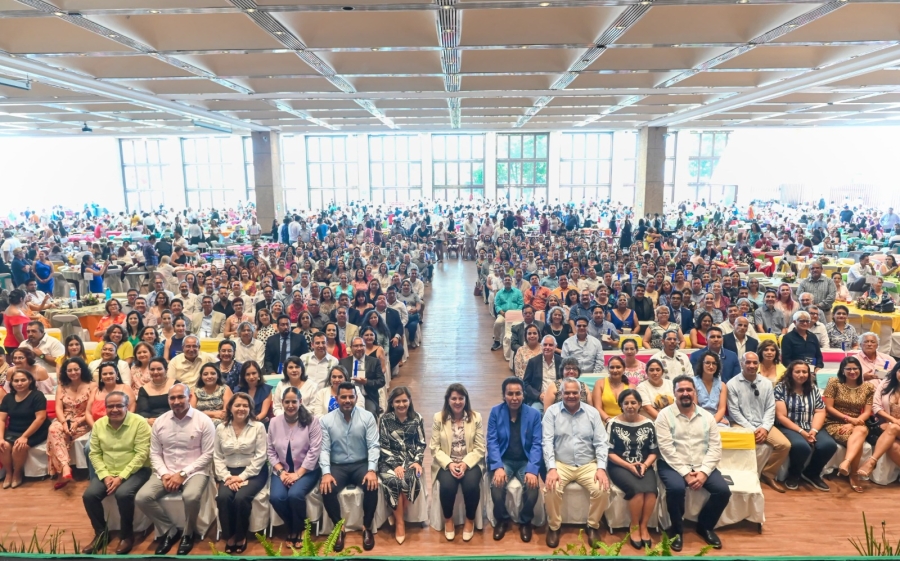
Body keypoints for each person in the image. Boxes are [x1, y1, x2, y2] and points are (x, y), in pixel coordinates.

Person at [136, 383, 216, 556]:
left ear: (189, 398)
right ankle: (169, 530)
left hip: (195, 470)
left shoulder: (203, 420)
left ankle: (188, 534)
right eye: (172, 398)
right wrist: (164, 473)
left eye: (181, 397)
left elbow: (208, 454)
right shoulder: (160, 422)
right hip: (166, 470)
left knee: (191, 496)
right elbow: (155, 453)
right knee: (142, 498)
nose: (177, 401)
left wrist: (182, 473)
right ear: (168, 400)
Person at [655, 375, 730, 551]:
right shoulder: (664, 416)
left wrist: (703, 472)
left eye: (689, 390)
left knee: (723, 491)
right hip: (671, 464)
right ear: (674, 393)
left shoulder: (707, 417)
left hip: (700, 462)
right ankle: (677, 531)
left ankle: (705, 526)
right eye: (681, 390)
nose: (685, 393)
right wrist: (686, 474)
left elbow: (715, 448)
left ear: (695, 392)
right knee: (676, 489)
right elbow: (666, 449)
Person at [542, 377, 610, 549]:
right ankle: (554, 526)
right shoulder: (551, 412)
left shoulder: (592, 413)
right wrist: (551, 468)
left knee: (602, 489)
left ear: (581, 394)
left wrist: (601, 468)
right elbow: (547, 442)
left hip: (587, 463)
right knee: (551, 488)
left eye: (575, 392)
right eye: (567, 392)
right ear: (561, 393)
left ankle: (593, 525)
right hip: (561, 463)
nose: (571, 396)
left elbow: (601, 442)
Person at [81, 391, 152, 555]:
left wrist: (121, 477)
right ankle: (101, 534)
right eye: (110, 406)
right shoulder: (99, 424)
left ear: (127, 406)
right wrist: (105, 475)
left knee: (123, 494)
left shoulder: (140, 423)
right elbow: (94, 453)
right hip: (108, 471)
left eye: (119, 405)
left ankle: (127, 536)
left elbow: (142, 455)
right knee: (89, 496)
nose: (114, 409)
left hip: (137, 470)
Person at [319, 382, 380, 552]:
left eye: (351, 397)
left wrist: (371, 470)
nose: (347, 400)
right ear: (336, 398)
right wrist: (326, 473)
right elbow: (324, 449)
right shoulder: (326, 420)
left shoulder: (367, 417)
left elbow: (373, 446)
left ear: (356, 398)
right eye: (343, 397)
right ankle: (339, 528)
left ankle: (366, 527)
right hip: (337, 465)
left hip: (361, 463)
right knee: (326, 488)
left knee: (372, 484)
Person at [485, 377, 542, 543]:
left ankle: (525, 521)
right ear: (504, 395)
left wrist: (532, 469)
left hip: (525, 460)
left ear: (524, 395)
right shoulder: (496, 412)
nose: (514, 397)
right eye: (510, 394)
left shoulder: (534, 414)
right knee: (496, 486)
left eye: (518, 393)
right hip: (505, 459)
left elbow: (537, 444)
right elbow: (492, 441)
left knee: (533, 488)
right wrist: (497, 467)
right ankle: (502, 520)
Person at [726, 352, 790, 493]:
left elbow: (770, 408)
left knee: (784, 445)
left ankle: (768, 474)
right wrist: (752, 429)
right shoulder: (732, 384)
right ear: (741, 364)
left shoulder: (766, 383)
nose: (751, 366)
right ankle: (746, 477)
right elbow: (734, 412)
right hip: (741, 423)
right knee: (747, 445)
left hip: (763, 423)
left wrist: (765, 428)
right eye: (748, 362)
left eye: (755, 362)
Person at [429, 383, 485, 542]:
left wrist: (465, 464)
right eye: (454, 398)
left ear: (466, 400)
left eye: (461, 398)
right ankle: (448, 520)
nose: (458, 402)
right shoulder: (438, 418)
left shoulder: (476, 418)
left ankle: (470, 520)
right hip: (447, 462)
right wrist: (450, 464)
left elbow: (480, 448)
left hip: (470, 462)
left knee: (471, 485)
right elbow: (434, 448)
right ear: (448, 400)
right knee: (447, 486)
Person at [213, 392, 268, 554]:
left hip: (254, 472)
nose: (241, 409)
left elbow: (260, 457)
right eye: (237, 405)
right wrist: (227, 477)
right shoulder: (221, 428)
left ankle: (241, 535)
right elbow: (217, 456)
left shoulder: (258, 427)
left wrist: (242, 477)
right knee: (223, 497)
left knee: (241, 498)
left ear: (250, 408)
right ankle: (229, 536)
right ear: (230, 407)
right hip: (228, 472)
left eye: (245, 405)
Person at [267, 386, 322, 548]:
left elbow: (314, 451)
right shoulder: (274, 422)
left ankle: (297, 529)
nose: (290, 405)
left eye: (294, 402)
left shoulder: (312, 421)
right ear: (282, 403)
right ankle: (293, 525)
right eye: (287, 402)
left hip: (306, 471)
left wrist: (297, 474)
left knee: (295, 495)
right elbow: (270, 450)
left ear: (300, 402)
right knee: (276, 498)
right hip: (281, 471)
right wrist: (282, 472)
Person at [607, 389, 658, 549]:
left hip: (644, 465)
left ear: (640, 404)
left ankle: (644, 526)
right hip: (619, 466)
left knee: (651, 491)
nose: (630, 406)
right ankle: (634, 526)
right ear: (621, 405)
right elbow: (608, 452)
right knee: (637, 490)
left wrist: (644, 465)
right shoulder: (613, 423)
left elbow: (654, 451)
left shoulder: (649, 424)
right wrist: (629, 466)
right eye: (626, 403)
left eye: (633, 402)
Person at [774, 361, 835, 492]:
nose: (801, 375)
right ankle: (794, 474)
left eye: (804, 372)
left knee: (829, 445)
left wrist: (813, 430)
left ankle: (811, 473)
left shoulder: (813, 389)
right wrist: (801, 432)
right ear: (790, 373)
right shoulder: (780, 388)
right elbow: (781, 416)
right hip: (789, 427)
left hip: (811, 425)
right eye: (797, 371)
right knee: (802, 446)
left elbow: (820, 411)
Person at [378, 387, 426, 545]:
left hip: (411, 460)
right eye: (397, 401)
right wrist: (395, 465)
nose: (401, 404)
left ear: (410, 401)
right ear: (391, 403)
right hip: (388, 460)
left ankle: (398, 514)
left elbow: (421, 443)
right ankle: (400, 523)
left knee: (409, 479)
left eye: (404, 400)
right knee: (394, 481)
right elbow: (383, 445)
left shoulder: (417, 418)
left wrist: (417, 461)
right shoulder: (385, 420)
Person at [823, 357, 873, 493]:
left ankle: (846, 462)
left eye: (855, 368)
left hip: (858, 422)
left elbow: (867, 412)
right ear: (842, 371)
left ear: (860, 370)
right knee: (860, 435)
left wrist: (853, 423)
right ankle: (854, 474)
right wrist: (849, 419)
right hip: (835, 421)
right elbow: (829, 408)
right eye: (849, 369)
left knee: (861, 431)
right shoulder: (834, 383)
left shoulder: (868, 387)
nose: (852, 371)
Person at [47, 356, 95, 489]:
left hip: (84, 421)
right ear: (65, 372)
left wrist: (77, 422)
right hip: (65, 419)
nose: (73, 373)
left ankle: (62, 473)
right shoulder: (62, 386)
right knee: (54, 429)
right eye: (69, 370)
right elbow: (58, 408)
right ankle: (65, 466)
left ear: (82, 369)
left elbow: (91, 410)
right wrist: (63, 423)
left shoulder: (92, 386)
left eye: (76, 369)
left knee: (59, 435)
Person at [0, 369, 50, 489]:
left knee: (19, 446)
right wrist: (1, 438)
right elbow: (1, 419)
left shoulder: (37, 396)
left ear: (30, 381)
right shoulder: (8, 398)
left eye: (23, 380)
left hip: (36, 431)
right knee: (3, 446)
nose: (19, 383)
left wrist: (24, 436)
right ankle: (9, 473)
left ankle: (17, 473)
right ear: (11, 383)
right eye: (16, 381)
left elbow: (40, 418)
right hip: (14, 430)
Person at [862, 363, 900, 479]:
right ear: (895, 372)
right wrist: (892, 420)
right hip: (892, 425)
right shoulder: (886, 384)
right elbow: (876, 406)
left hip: (893, 427)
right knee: (892, 446)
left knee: (892, 428)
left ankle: (871, 462)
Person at [338, 337, 385, 415]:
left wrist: (366, 382)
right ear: (351, 347)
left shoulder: (374, 362)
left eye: (361, 345)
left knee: (370, 413)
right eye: (356, 346)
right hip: (348, 396)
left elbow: (381, 381)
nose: (359, 348)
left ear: (365, 346)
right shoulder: (343, 362)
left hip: (367, 396)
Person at [522, 336, 562, 411]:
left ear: (555, 347)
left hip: (558, 400)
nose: (547, 347)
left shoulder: (561, 361)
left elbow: (566, 381)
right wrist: (538, 395)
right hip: (538, 400)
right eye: (545, 344)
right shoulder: (533, 362)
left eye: (550, 345)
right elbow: (525, 383)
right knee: (535, 413)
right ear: (541, 346)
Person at [191, 363, 232, 427]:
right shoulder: (195, 390)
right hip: (199, 422)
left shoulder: (225, 389)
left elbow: (225, 414)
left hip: (220, 424)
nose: (209, 376)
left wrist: (203, 413)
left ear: (218, 375)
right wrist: (214, 414)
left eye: (213, 373)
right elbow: (192, 412)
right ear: (201, 377)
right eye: (205, 374)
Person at [694, 351, 729, 425]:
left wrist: (713, 421)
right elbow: (694, 408)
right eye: (707, 363)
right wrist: (707, 423)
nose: (711, 366)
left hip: (717, 419)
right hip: (698, 418)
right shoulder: (693, 382)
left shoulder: (722, 385)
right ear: (701, 364)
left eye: (714, 363)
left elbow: (722, 409)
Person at [492, 275, 524, 352]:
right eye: (505, 280)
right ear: (503, 282)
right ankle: (497, 341)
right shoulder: (499, 293)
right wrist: (502, 312)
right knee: (497, 323)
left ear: (511, 281)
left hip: (516, 314)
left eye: (509, 280)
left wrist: (515, 313)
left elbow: (521, 304)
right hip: (503, 314)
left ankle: (518, 341)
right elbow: (497, 305)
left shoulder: (518, 292)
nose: (507, 281)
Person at [593, 356, 630, 423]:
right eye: (612, 367)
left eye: (618, 367)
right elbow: (597, 407)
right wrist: (609, 421)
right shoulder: (599, 383)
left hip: (626, 422)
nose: (615, 370)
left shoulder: (631, 386)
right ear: (608, 369)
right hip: (604, 421)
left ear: (624, 369)